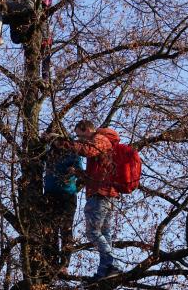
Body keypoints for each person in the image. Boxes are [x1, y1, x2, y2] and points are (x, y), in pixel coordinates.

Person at [54, 120, 123, 280]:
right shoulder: (103, 142)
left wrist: (61, 141)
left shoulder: (100, 138)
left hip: (101, 194)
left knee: (92, 232)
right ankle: (104, 271)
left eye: (79, 135)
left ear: (86, 130)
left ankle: (114, 264)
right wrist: (79, 173)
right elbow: (96, 174)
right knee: (104, 234)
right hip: (106, 193)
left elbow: (87, 150)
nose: (79, 139)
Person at [43, 141, 83, 273]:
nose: (59, 144)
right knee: (50, 230)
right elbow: (37, 152)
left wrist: (73, 172)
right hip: (50, 194)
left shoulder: (73, 153)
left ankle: (64, 264)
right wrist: (44, 139)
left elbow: (81, 173)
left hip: (67, 195)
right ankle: (51, 262)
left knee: (65, 229)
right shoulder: (49, 152)